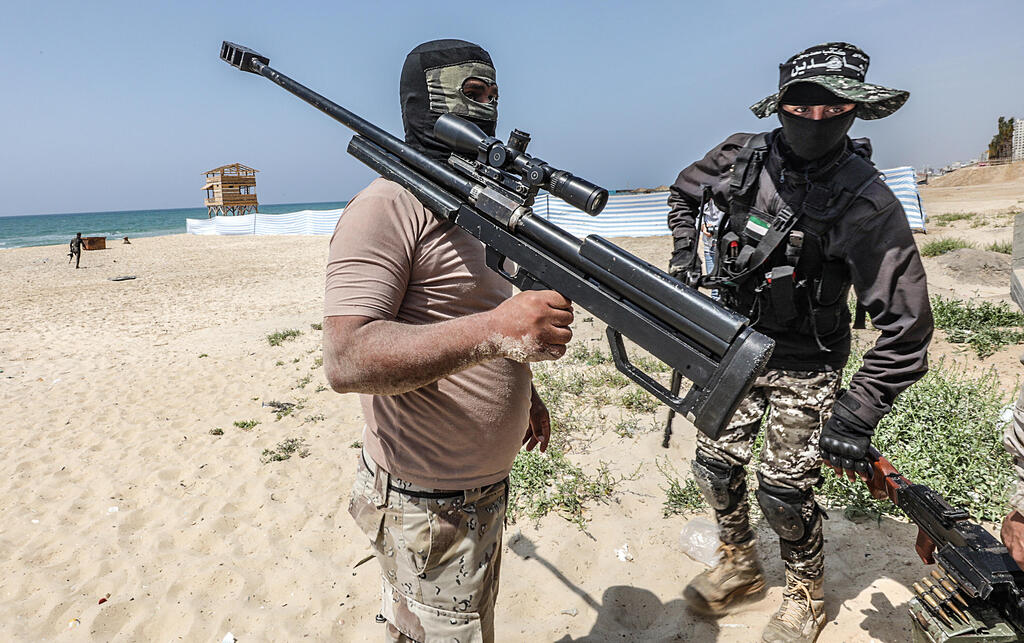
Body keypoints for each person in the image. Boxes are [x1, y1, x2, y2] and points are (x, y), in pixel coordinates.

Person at [666, 42, 934, 642]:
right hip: (732, 344)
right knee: (714, 465)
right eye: (803, 107)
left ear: (855, 111)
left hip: (807, 360)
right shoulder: (740, 158)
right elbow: (682, 195)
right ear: (782, 105)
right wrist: (685, 261)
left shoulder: (866, 201)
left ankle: (806, 594)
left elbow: (909, 325)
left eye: (833, 110)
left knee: (784, 488)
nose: (816, 121)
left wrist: (858, 410)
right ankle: (739, 565)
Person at [322, 39, 573, 643]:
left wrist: (524, 394)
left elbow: (477, 309)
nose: (488, 108)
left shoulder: (475, 205)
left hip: (476, 491)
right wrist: (496, 332)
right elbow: (347, 357)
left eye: (494, 95)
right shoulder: (386, 205)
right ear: (426, 101)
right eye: (473, 94)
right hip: (425, 503)